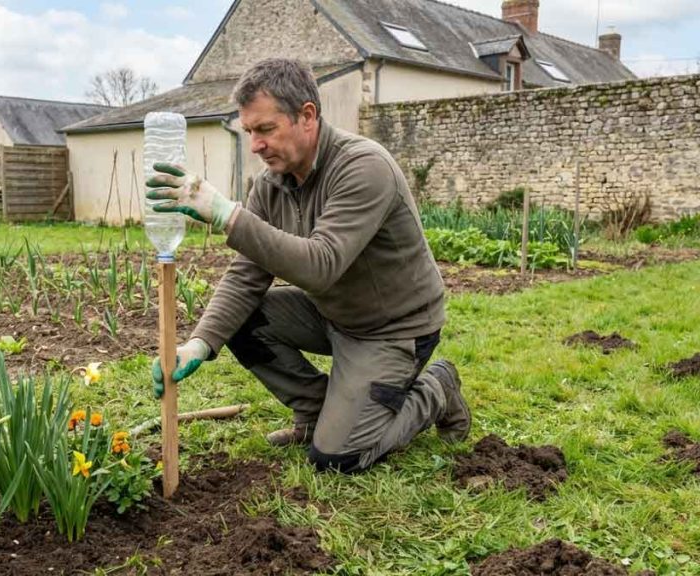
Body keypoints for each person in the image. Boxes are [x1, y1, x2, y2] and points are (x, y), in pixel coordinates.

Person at [145, 58, 470, 473]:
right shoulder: (271, 184)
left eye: (266, 129)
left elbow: (321, 265)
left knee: (338, 458)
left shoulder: (364, 167)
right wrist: (200, 343)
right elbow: (247, 275)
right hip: (332, 313)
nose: (256, 145)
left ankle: (435, 389)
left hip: (393, 329)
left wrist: (227, 214)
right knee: (240, 321)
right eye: (249, 131)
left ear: (308, 116)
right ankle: (317, 411)